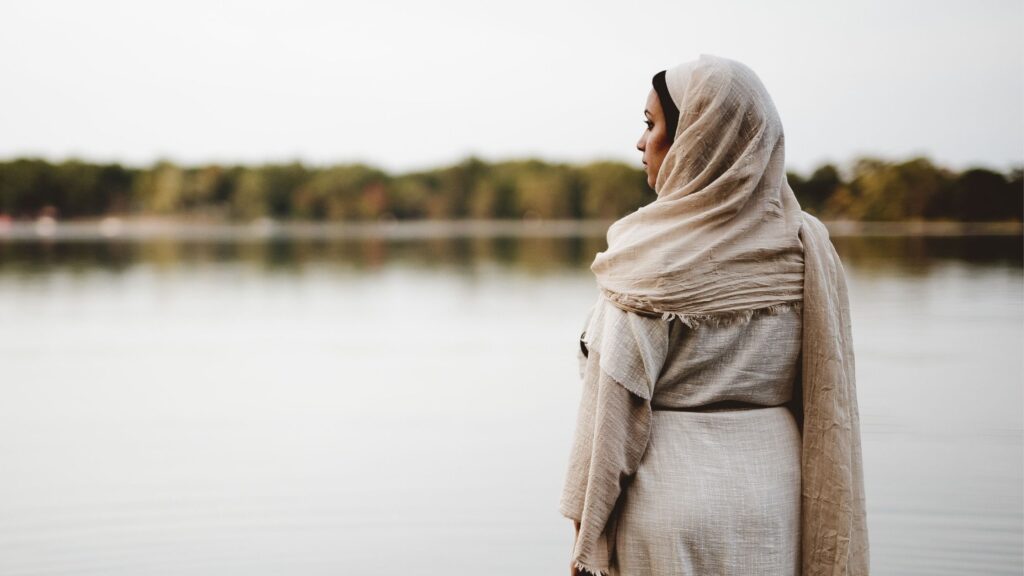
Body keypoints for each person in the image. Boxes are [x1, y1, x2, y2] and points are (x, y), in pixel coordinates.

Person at [559, 54, 870, 576]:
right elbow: (823, 393)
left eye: (651, 124)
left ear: (698, 137)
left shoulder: (649, 257)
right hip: (778, 496)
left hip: (669, 498)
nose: (640, 143)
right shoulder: (805, 246)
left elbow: (611, 420)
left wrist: (587, 535)